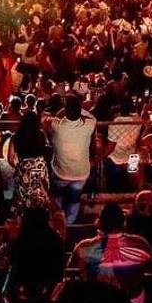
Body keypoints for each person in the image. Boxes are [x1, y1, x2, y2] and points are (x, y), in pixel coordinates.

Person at [72, 202, 152, 303]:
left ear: (99, 223)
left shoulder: (83, 248)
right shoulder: (141, 243)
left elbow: (74, 274)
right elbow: (150, 270)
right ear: (123, 223)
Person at [48, 95, 97, 224]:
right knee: (74, 199)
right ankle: (69, 222)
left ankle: (58, 221)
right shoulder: (89, 125)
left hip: (60, 173)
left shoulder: (57, 126)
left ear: (66, 110)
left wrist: (64, 109)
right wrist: (80, 108)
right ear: (80, 110)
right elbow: (92, 117)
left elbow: (50, 118)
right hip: (81, 174)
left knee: (57, 198)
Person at [8, 110, 51, 215]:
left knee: (23, 194)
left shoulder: (15, 137)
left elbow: (10, 158)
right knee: (40, 193)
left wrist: (19, 167)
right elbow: (48, 148)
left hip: (24, 170)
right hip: (39, 168)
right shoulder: (41, 134)